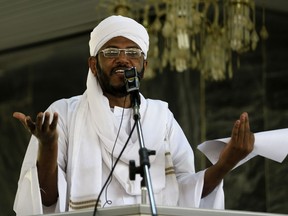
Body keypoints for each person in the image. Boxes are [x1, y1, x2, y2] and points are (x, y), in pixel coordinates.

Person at [13, 15, 254, 215]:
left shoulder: (161, 117)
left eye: (133, 52)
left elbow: (185, 193)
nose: (123, 59)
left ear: (144, 66)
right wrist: (48, 147)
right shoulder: (65, 113)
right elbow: (46, 201)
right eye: (111, 52)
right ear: (93, 65)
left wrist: (226, 163)